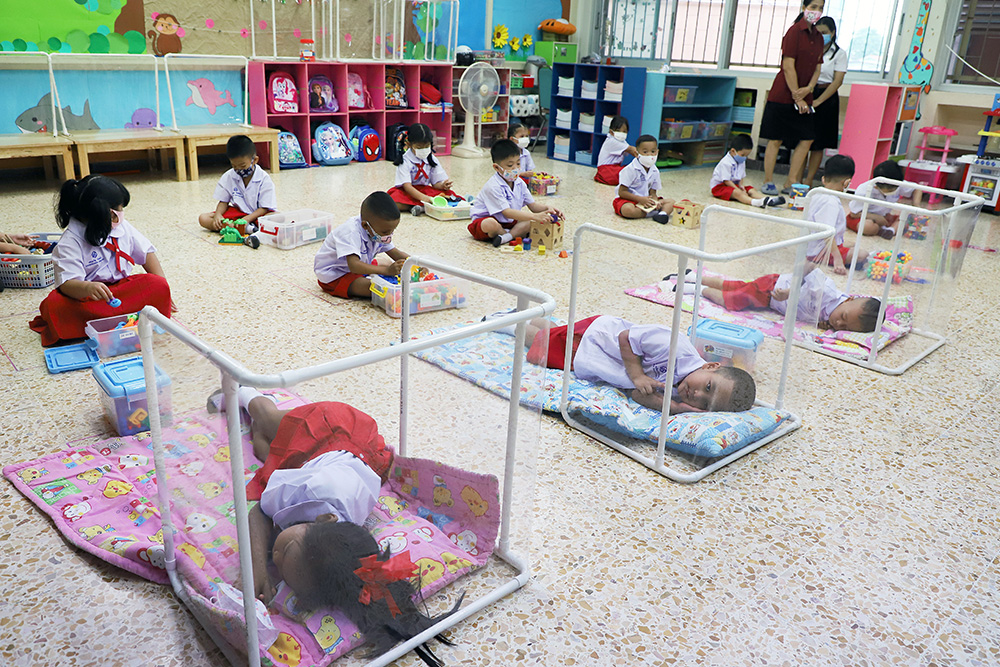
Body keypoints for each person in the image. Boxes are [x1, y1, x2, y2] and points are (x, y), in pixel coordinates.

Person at [212, 389, 459, 665]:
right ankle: (240, 390)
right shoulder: (304, 491)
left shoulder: (339, 547)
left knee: (261, 450)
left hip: (341, 463)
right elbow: (258, 512)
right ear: (325, 519)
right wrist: (256, 567)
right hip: (332, 429)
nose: (276, 557)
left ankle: (257, 433)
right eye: (286, 548)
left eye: (279, 566)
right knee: (270, 420)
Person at [495, 314, 756, 413]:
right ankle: (508, 323)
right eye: (707, 388)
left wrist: (677, 408)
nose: (697, 394)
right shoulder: (676, 346)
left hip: (597, 358)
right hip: (593, 341)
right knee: (540, 345)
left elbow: (638, 396)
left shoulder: (686, 388)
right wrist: (638, 374)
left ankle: (539, 317)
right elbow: (626, 337)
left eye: (704, 403)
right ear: (711, 366)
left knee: (554, 333)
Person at [28, 175, 173, 347]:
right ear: (109, 214)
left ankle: (108, 320)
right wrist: (87, 288)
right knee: (55, 305)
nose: (121, 214)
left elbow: (146, 253)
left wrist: (164, 288)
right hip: (88, 299)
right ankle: (105, 322)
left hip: (122, 290)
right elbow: (67, 284)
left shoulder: (120, 226)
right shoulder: (70, 242)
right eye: (119, 209)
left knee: (157, 284)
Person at [673, 268, 881, 332]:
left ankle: (692, 275)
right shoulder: (826, 290)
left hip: (772, 298)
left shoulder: (832, 319)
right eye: (843, 316)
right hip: (774, 290)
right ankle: (698, 289)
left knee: (737, 286)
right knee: (734, 300)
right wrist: (789, 292)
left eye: (845, 326)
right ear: (849, 299)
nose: (838, 322)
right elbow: (808, 267)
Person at [759, 0, 826, 196]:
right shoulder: (794, 32)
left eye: (821, 8)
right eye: (813, 7)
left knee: (807, 138)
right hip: (783, 95)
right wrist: (798, 97)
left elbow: (817, 68)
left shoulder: (819, 37)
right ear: (804, 8)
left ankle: (791, 181)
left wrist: (809, 88)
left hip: (805, 94)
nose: (817, 11)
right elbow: (788, 66)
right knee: (775, 139)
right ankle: (768, 180)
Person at [314, 191, 410, 299]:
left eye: (393, 230)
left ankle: (371, 275)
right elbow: (354, 265)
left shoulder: (377, 229)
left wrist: (417, 264)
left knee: (389, 263)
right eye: (385, 232)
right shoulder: (350, 232)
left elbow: (395, 253)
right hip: (335, 275)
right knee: (380, 289)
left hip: (358, 265)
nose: (389, 235)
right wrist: (386, 271)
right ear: (365, 225)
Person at [468, 139, 563, 247]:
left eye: (518, 163)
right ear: (496, 167)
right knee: (490, 224)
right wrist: (535, 216)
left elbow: (533, 206)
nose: (516, 168)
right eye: (510, 166)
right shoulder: (493, 186)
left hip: (509, 223)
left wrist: (547, 208)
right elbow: (507, 212)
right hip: (484, 223)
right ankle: (510, 235)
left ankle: (505, 238)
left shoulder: (519, 183)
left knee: (530, 221)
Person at [198, 135, 276, 237]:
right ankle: (245, 229)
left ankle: (244, 227)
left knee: (276, 217)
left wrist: (246, 220)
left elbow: (264, 208)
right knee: (203, 218)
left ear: (255, 160)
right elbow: (223, 201)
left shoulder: (264, 179)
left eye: (243, 166)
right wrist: (218, 215)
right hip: (238, 214)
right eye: (234, 166)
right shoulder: (229, 176)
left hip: (258, 215)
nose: (239, 169)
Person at [803, 17, 848, 188]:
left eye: (824, 33)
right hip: (808, 91)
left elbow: (837, 81)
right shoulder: (810, 49)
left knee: (818, 143)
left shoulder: (839, 53)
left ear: (833, 33)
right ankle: (796, 178)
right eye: (818, 33)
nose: (821, 37)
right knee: (802, 139)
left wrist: (819, 100)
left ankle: (809, 179)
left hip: (827, 96)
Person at [804, 154, 866, 274]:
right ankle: (835, 255)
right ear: (846, 183)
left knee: (853, 244)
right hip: (819, 251)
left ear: (823, 179)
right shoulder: (830, 202)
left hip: (813, 245)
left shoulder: (817, 193)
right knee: (862, 255)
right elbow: (826, 233)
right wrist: (837, 258)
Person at [387, 123, 460, 216]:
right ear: (409, 144)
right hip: (409, 192)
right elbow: (407, 187)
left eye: (426, 147)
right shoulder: (404, 161)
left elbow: (435, 183)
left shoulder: (432, 159)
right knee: (393, 201)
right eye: (419, 147)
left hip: (426, 190)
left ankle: (421, 207)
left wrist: (442, 185)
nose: (423, 150)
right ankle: (418, 207)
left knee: (448, 195)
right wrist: (426, 198)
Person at [710, 134, 786, 208]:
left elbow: (741, 176)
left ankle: (768, 199)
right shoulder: (725, 163)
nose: (744, 157)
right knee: (738, 193)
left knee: (751, 190)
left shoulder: (741, 161)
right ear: (733, 151)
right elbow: (727, 181)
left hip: (734, 185)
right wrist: (738, 189)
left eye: (746, 155)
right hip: (720, 188)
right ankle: (755, 202)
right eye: (743, 155)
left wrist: (741, 186)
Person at [613, 134, 675, 223]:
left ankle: (662, 215)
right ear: (637, 153)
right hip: (629, 200)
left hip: (647, 201)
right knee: (628, 210)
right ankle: (651, 213)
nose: (650, 155)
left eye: (653, 151)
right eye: (645, 152)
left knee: (671, 202)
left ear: (657, 152)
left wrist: (655, 201)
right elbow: (622, 192)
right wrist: (640, 199)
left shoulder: (655, 171)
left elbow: (653, 192)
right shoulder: (630, 169)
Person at [847, 160, 916, 238]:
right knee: (867, 226)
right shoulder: (864, 190)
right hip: (863, 217)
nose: (891, 192)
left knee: (905, 219)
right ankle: (880, 229)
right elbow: (854, 214)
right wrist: (875, 217)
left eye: (893, 190)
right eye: (888, 191)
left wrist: (916, 207)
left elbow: (917, 189)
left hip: (885, 217)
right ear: (876, 186)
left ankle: (890, 230)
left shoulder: (897, 183)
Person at [594, 116, 638, 185]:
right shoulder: (611, 141)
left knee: (631, 169)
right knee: (628, 173)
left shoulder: (622, 141)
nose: (621, 133)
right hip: (605, 170)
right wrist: (645, 155)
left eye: (624, 131)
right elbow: (631, 149)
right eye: (618, 130)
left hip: (615, 168)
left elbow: (633, 152)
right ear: (611, 132)